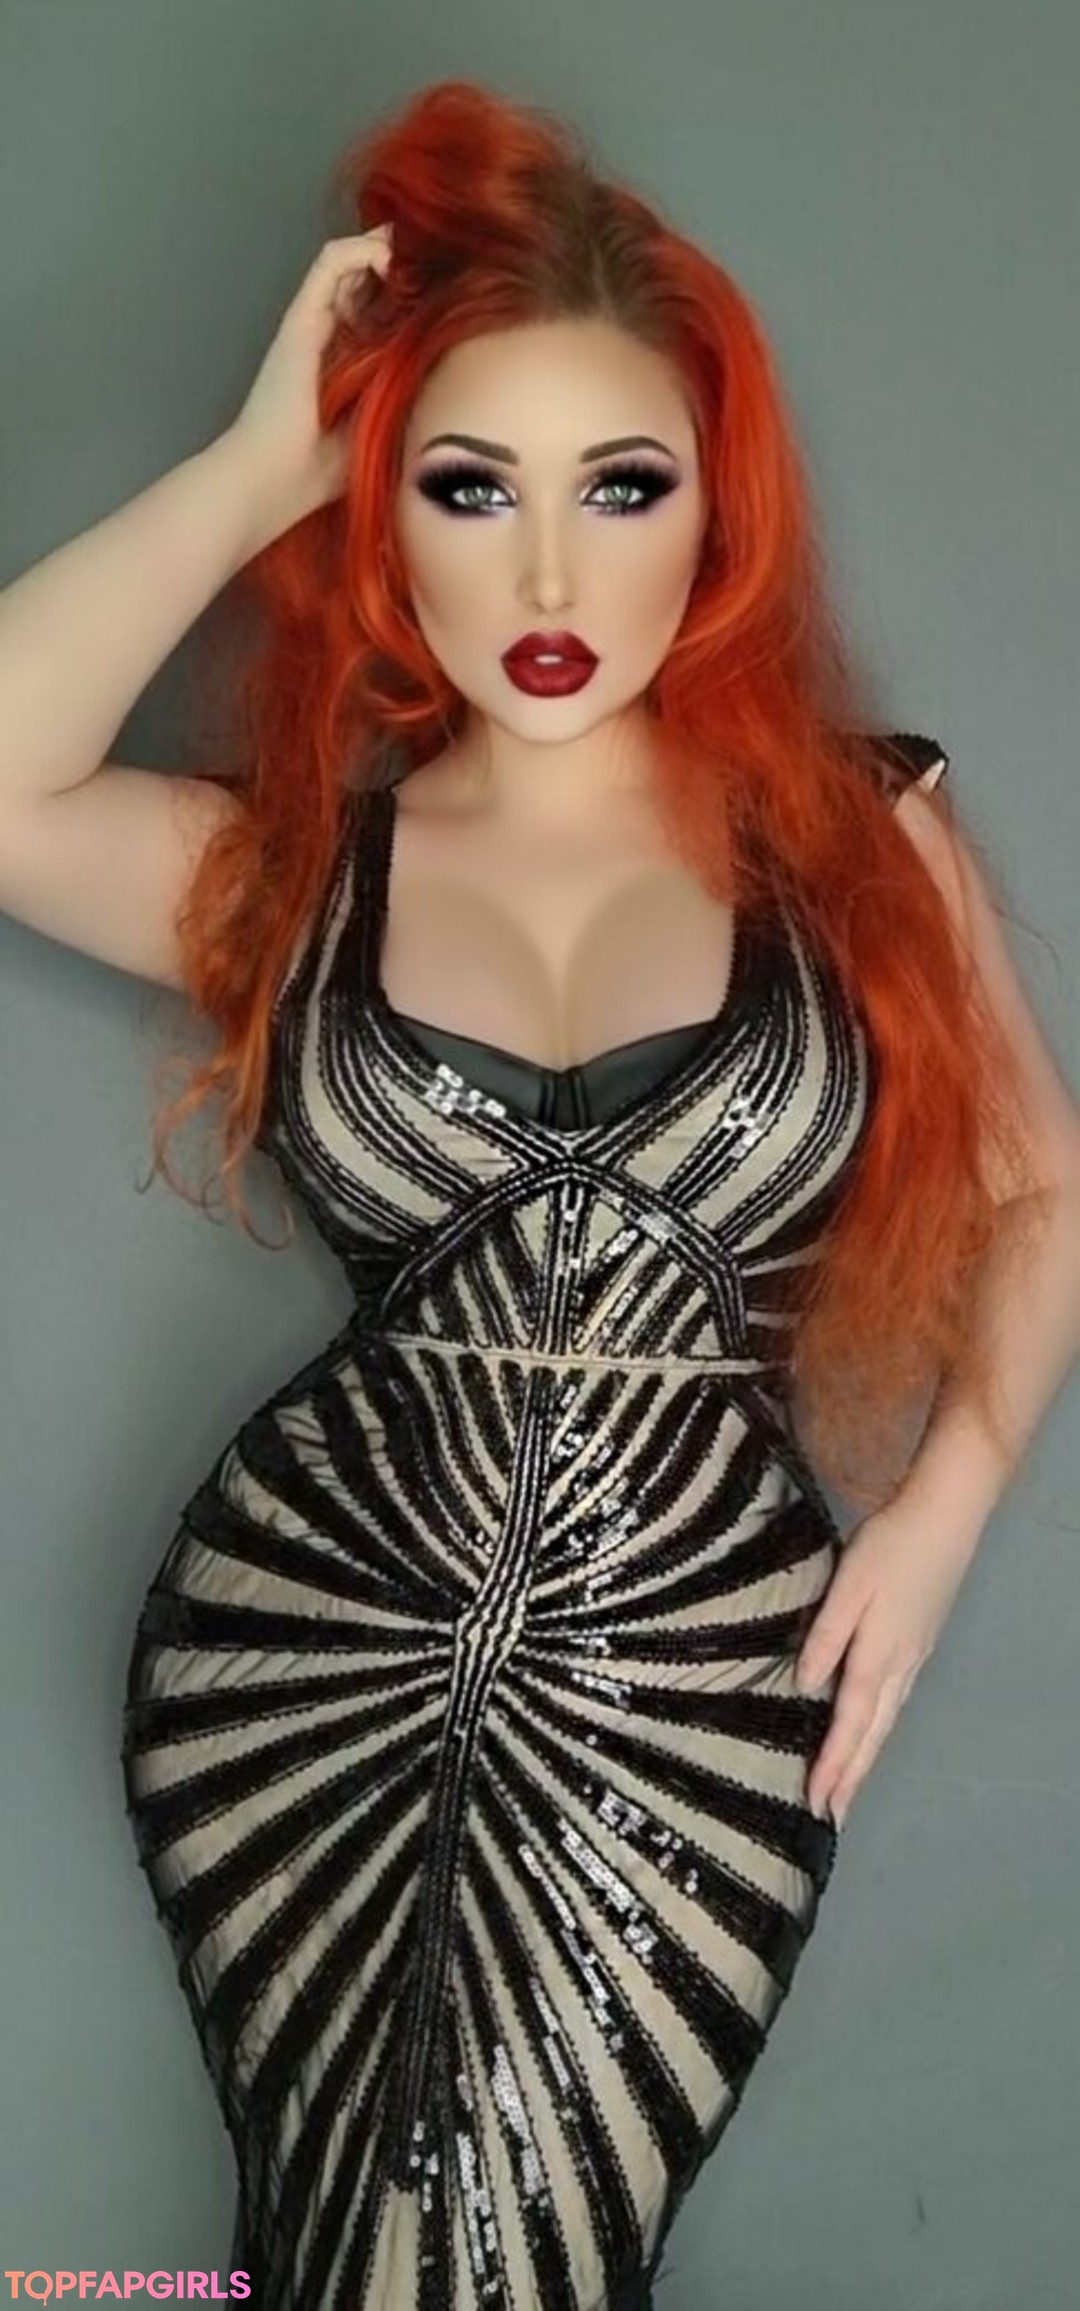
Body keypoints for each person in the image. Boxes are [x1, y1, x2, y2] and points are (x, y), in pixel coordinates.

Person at [2, 75, 1078, 2311]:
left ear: (717, 512)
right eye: (470, 485)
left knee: (531, 2239)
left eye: (624, 485)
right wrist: (256, 464)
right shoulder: (293, 873)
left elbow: (1043, 1185)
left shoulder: (856, 839)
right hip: (315, 1660)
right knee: (344, 2230)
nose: (553, 575)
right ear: (383, 505)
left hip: (687, 1687)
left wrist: (952, 1500)